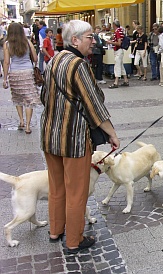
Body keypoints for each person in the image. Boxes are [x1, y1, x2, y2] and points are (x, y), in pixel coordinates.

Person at [40, 20, 120, 255]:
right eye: (89, 37)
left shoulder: (53, 60)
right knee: (76, 191)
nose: (93, 41)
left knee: (56, 187)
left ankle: (56, 231)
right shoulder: (78, 65)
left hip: (49, 136)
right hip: (73, 139)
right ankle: (74, 240)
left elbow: (45, 96)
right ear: (74, 40)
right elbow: (94, 105)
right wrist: (112, 134)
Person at [2, 22, 40, 134]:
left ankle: (21, 121)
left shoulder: (7, 44)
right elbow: (35, 58)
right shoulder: (27, 42)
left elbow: (6, 62)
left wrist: (5, 78)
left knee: (18, 98)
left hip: (14, 73)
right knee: (29, 99)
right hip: (27, 72)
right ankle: (28, 126)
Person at [106, 19, 129, 89]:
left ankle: (116, 82)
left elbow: (119, 43)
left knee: (117, 66)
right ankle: (126, 80)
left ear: (114, 25)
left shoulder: (117, 31)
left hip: (118, 50)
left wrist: (110, 42)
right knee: (121, 66)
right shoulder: (120, 30)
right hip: (120, 50)